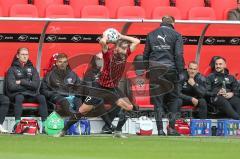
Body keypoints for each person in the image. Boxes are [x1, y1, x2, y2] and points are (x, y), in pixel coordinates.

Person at [55, 30, 140, 137]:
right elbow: (102, 43)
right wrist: (105, 36)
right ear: (117, 48)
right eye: (123, 48)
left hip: (112, 88)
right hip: (99, 88)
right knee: (82, 111)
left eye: (126, 48)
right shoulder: (108, 54)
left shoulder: (126, 54)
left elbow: (136, 41)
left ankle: (117, 131)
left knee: (129, 107)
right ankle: (63, 131)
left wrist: (121, 36)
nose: (125, 50)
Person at [143, 15, 185, 136]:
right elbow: (178, 55)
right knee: (173, 100)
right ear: (173, 23)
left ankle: (160, 130)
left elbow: (145, 54)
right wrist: (181, 71)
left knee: (158, 102)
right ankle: (171, 129)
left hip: (155, 71)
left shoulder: (151, 34)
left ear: (161, 22)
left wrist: (148, 70)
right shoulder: (177, 35)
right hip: (171, 70)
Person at [5, 47, 48, 130]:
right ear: (17, 56)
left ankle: (45, 125)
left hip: (31, 95)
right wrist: (29, 85)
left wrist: (21, 82)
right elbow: (11, 87)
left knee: (41, 97)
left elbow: (36, 85)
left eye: (26, 54)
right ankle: (17, 124)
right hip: (17, 95)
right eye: (22, 54)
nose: (25, 56)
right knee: (19, 97)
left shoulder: (32, 69)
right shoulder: (12, 69)